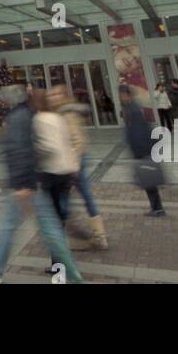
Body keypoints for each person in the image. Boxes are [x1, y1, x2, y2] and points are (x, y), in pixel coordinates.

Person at [0, 79, 83, 283]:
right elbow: (24, 150)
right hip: (29, 182)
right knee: (40, 228)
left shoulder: (19, 117)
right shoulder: (25, 116)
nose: (1, 99)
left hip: (25, 184)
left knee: (21, 227)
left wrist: (22, 184)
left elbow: (20, 151)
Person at [32, 87, 81, 274]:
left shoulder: (40, 119)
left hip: (51, 173)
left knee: (52, 222)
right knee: (58, 218)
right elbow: (68, 143)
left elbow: (48, 147)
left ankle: (60, 266)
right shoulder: (58, 118)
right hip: (66, 172)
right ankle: (59, 263)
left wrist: (35, 153)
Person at [53, 84, 106, 250]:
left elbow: (77, 141)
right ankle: (98, 234)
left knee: (64, 198)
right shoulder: (64, 112)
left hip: (74, 162)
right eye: (51, 95)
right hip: (74, 161)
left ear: (64, 96)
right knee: (80, 195)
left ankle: (76, 236)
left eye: (56, 94)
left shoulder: (66, 113)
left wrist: (73, 165)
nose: (53, 97)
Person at [124, 86, 166, 216]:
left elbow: (138, 131)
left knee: (148, 180)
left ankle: (157, 208)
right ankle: (156, 208)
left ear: (128, 95)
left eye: (123, 94)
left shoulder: (133, 109)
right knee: (148, 180)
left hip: (142, 150)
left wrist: (139, 149)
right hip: (143, 150)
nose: (121, 97)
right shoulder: (133, 107)